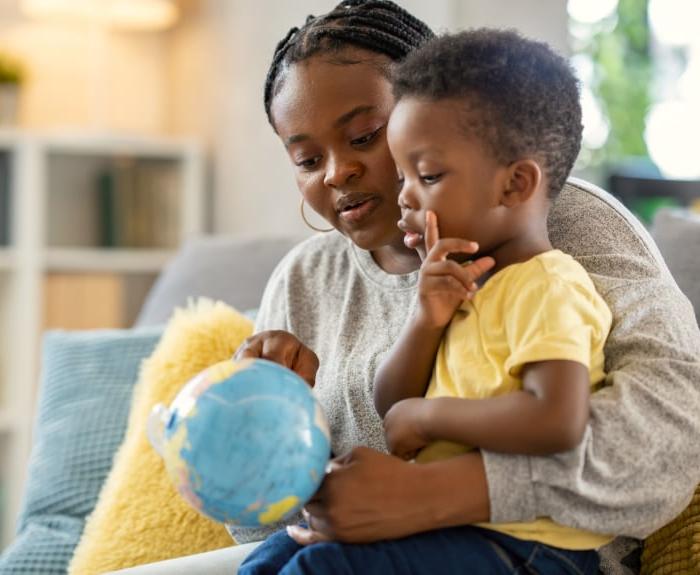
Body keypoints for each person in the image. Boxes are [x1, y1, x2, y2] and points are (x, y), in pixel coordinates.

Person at [120, 1, 700, 573]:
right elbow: (263, 527)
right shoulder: (302, 282)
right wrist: (253, 424)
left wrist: (434, 493)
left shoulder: (550, 223)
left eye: (367, 135)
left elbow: (672, 441)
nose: (335, 172)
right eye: (305, 158)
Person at [240, 29, 613, 574]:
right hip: (442, 533)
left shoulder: (547, 282)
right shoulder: (454, 285)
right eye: (305, 158)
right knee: (268, 559)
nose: (407, 194)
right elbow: (392, 407)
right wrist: (423, 321)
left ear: (514, 185)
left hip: (525, 543)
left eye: (369, 137)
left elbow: (558, 419)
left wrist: (431, 417)